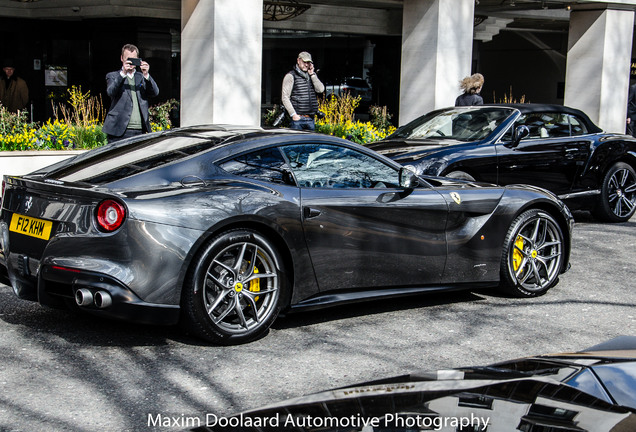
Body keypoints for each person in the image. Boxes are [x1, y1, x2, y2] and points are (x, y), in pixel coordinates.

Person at [102, 44, 159, 143]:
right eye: (128, 59)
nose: (131, 63)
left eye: (134, 59)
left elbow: (155, 92)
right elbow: (111, 92)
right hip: (119, 130)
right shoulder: (113, 76)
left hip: (140, 130)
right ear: (121, 58)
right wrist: (123, 73)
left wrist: (146, 75)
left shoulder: (141, 77)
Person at [281, 51, 324, 131]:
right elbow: (285, 97)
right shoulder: (291, 76)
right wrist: (293, 114)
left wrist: (312, 75)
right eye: (304, 62)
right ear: (298, 60)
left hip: (310, 119)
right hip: (298, 120)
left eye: (308, 62)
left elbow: (320, 89)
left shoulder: (311, 76)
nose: (306, 65)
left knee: (311, 143)